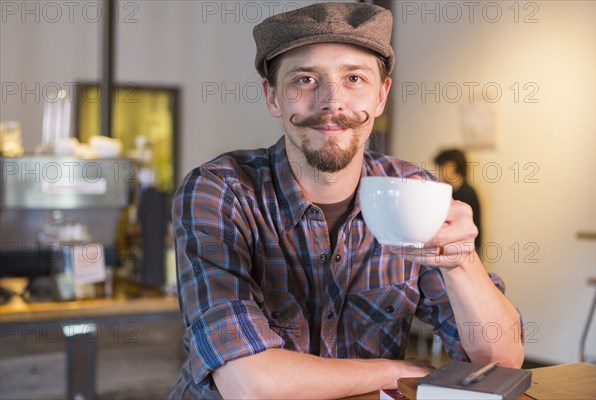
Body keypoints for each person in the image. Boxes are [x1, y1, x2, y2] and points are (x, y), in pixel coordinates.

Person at [170, 3, 524, 399]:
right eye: (305, 80)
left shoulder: (413, 190)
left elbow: (502, 361)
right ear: (272, 97)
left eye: (354, 78)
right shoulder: (221, 191)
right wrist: (403, 371)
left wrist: (461, 262)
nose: (332, 102)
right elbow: (250, 385)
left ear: (381, 96)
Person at [434, 149, 482, 251]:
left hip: (466, 250)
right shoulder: (449, 192)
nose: (439, 171)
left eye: (441, 166)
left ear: (452, 166)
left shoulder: (467, 193)